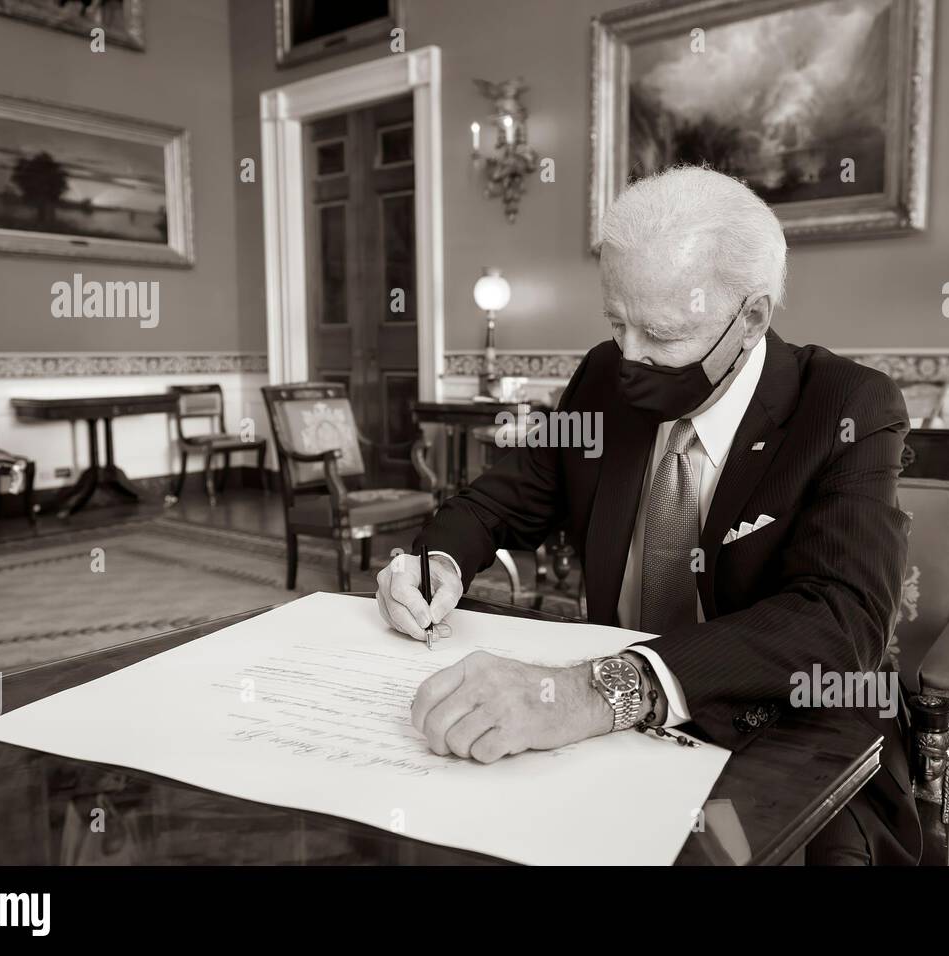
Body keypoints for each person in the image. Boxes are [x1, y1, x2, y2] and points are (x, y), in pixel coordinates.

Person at [375, 165, 920, 865]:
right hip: (606, 735)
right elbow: (504, 496)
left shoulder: (847, 406)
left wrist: (602, 691)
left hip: (781, 731)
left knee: (721, 858)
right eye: (616, 323)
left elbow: (843, 622)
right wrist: (434, 563)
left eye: (662, 335)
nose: (629, 357)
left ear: (751, 318)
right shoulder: (605, 378)